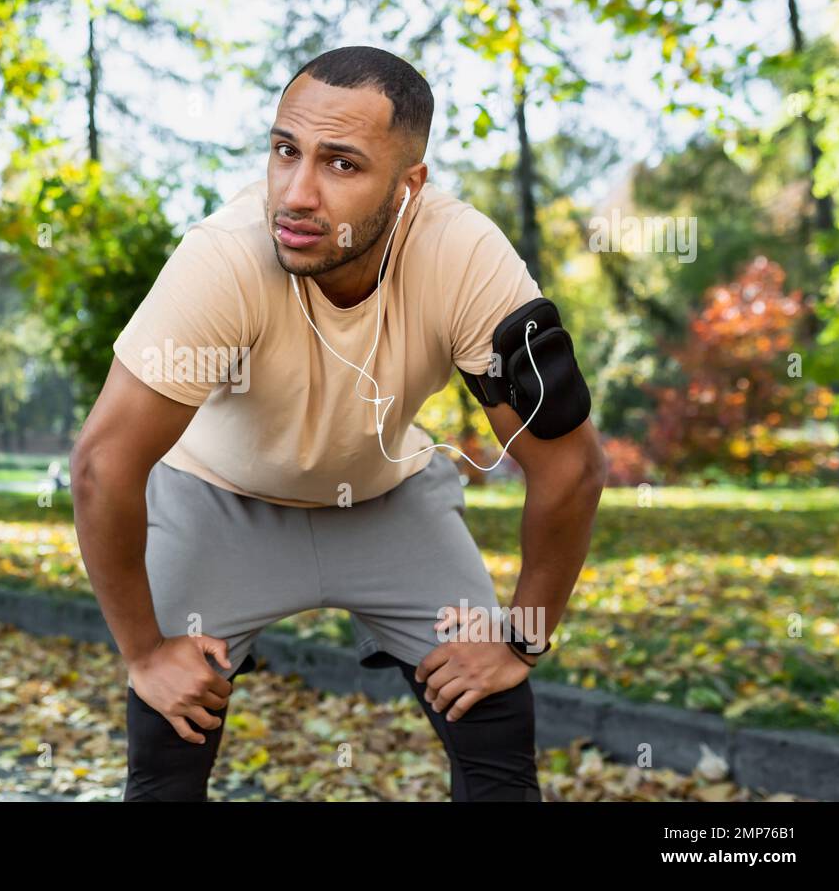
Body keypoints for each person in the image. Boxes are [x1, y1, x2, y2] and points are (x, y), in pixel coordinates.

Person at [70, 46, 607, 802]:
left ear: (409, 185)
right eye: (285, 151)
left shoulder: (465, 256)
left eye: (342, 165)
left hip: (388, 501)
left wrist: (523, 634)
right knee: (166, 750)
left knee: (496, 728)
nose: (296, 193)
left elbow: (572, 467)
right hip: (218, 500)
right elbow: (103, 466)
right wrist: (143, 652)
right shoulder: (223, 260)